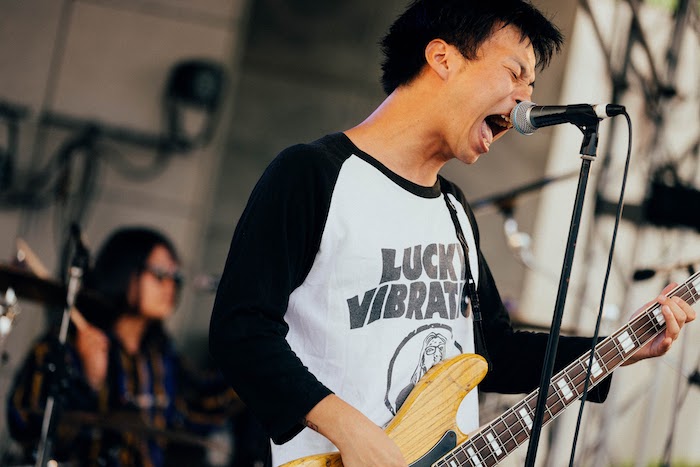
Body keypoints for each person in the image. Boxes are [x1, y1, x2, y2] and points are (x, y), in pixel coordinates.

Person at [208, 1, 697, 466]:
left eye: (531, 85)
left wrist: (620, 347)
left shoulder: (454, 210)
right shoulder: (314, 175)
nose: (526, 99)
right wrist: (350, 429)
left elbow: (494, 353)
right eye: (515, 73)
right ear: (443, 59)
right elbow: (242, 330)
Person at [7, 226, 239, 466]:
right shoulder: (67, 343)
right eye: (160, 273)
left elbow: (201, 408)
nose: (170, 285)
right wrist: (88, 382)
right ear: (125, 270)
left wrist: (256, 361)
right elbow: (26, 423)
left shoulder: (160, 355)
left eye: (176, 277)